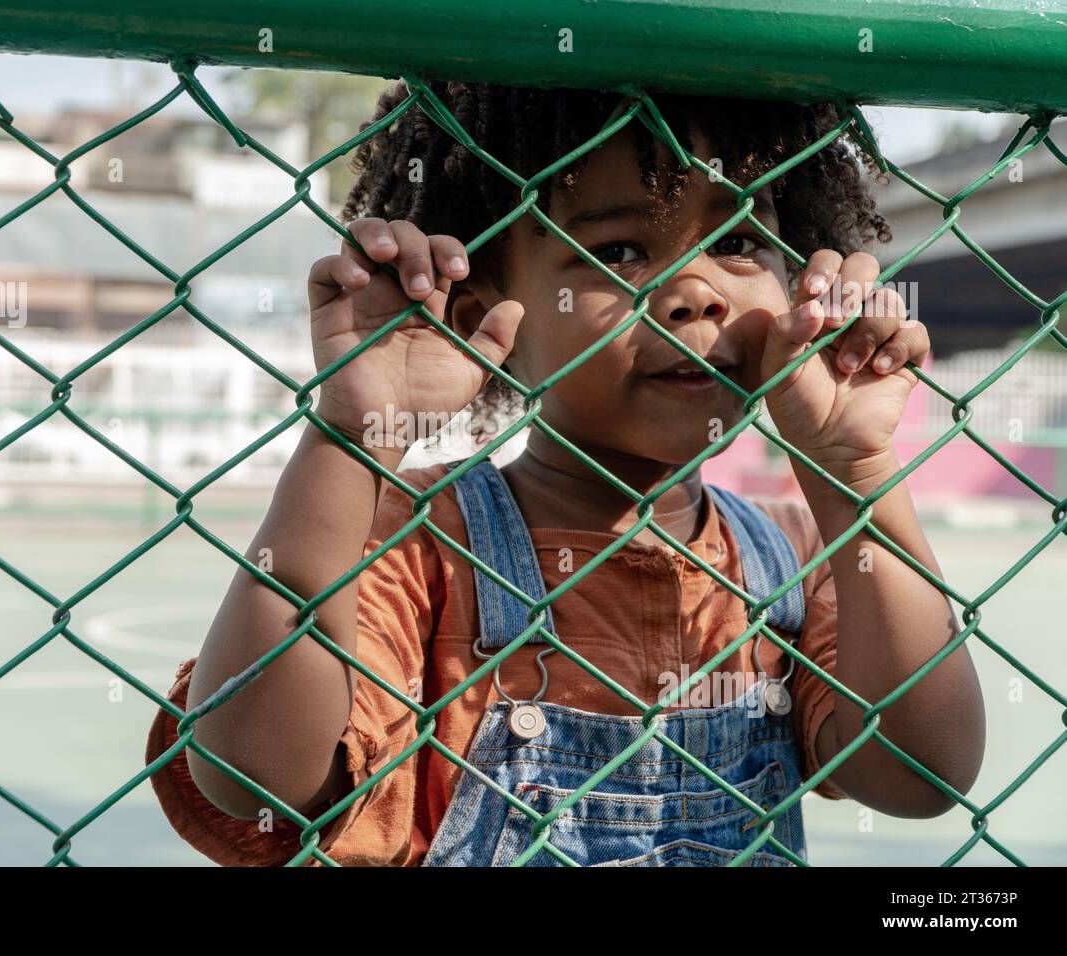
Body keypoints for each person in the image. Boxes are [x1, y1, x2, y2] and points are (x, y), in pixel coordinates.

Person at [145, 82, 985, 866]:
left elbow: (922, 774)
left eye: (736, 241)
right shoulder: (416, 541)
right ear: (484, 319)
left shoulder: (797, 552)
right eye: (617, 249)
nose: (696, 293)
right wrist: (355, 437)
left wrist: (856, 472)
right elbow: (254, 774)